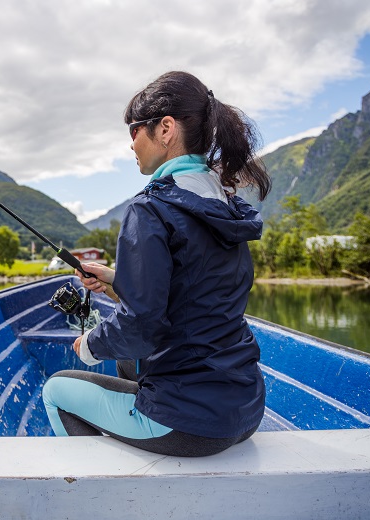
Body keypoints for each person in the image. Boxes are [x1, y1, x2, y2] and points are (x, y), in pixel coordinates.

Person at [42, 71, 272, 457]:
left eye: (134, 130)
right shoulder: (225, 206)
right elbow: (192, 286)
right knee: (131, 369)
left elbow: (142, 326)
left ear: (165, 129)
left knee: (56, 391)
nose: (130, 143)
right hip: (246, 410)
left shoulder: (150, 209)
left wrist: (88, 346)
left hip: (189, 423)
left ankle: (102, 496)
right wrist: (118, 278)